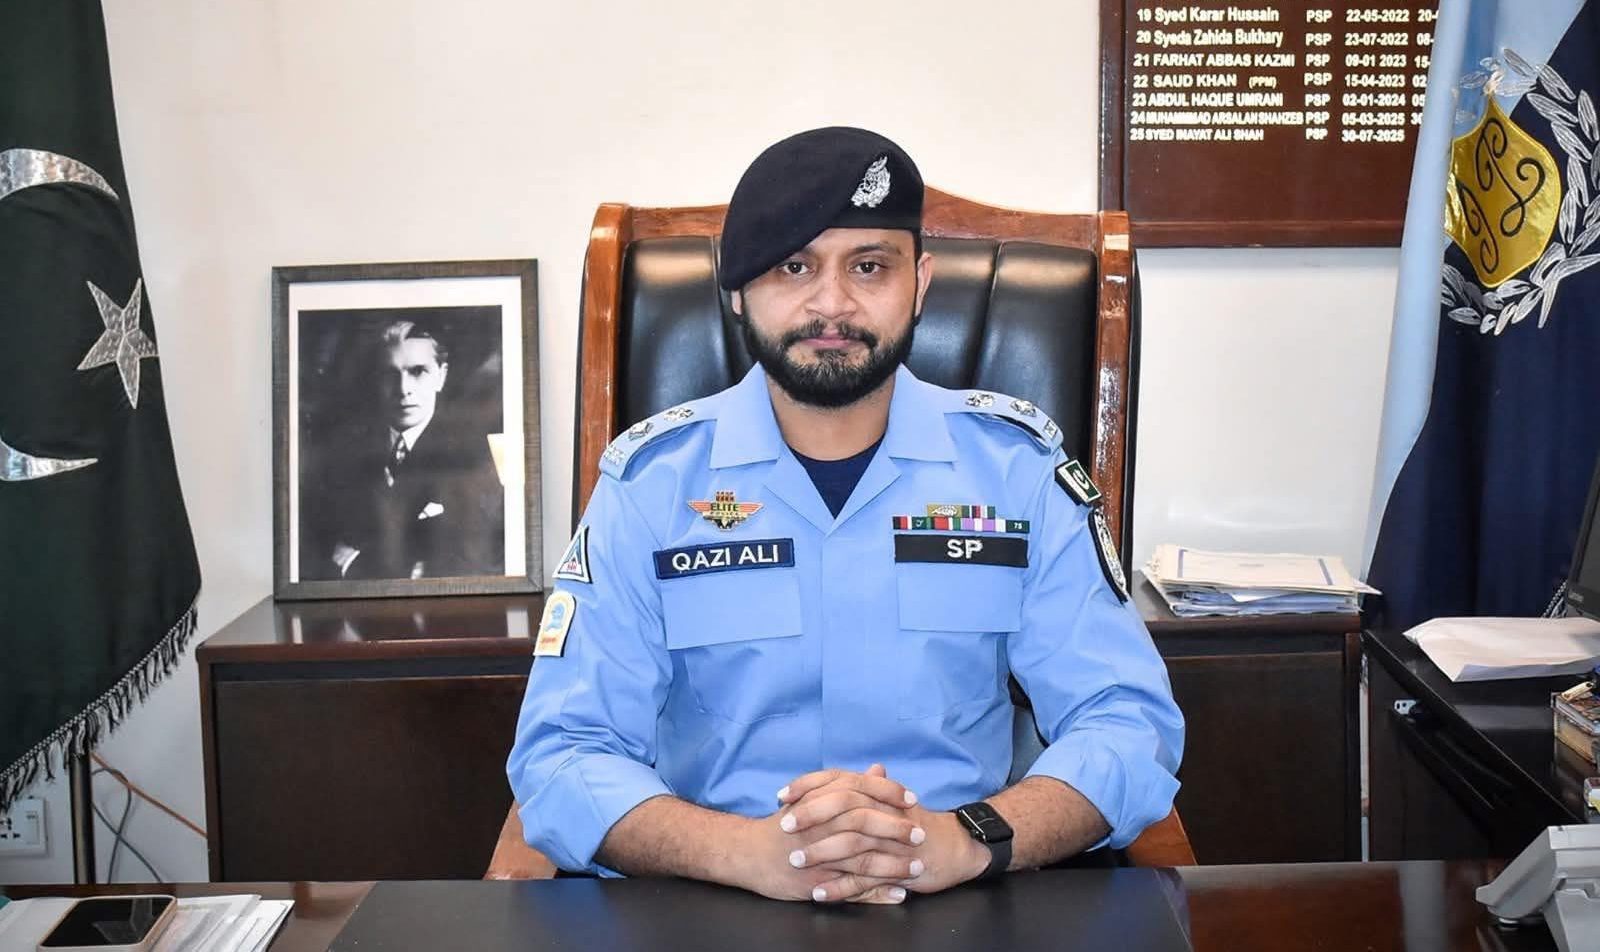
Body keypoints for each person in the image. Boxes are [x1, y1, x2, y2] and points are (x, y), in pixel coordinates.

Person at [507, 127, 1183, 905]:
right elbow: (562, 754)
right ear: (737, 289)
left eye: (869, 266)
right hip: (712, 898)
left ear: (920, 284)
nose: (831, 304)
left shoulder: (1017, 473)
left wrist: (965, 839)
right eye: (793, 267)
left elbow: (1128, 722)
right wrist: (749, 853)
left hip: (965, 894)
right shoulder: (649, 487)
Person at [300, 320, 504, 580]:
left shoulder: (474, 454)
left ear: (441, 376)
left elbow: (481, 558)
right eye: (390, 374)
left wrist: (359, 558)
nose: (403, 389)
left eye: (418, 372)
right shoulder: (344, 454)